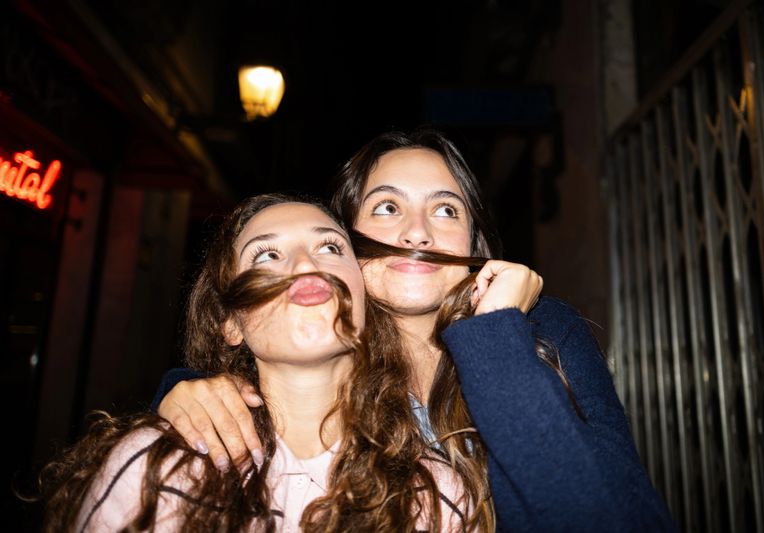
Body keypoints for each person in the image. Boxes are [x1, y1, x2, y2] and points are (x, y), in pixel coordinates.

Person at [153, 129, 676, 531]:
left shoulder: (540, 331)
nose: (418, 232)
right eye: (387, 207)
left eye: (445, 210)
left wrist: (497, 335)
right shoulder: (322, 351)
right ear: (346, 243)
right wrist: (182, 388)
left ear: (475, 241)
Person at [39, 194, 481, 532]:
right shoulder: (156, 470)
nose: (305, 264)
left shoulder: (438, 495)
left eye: (329, 247)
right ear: (231, 322)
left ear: (366, 301)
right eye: (266, 255)